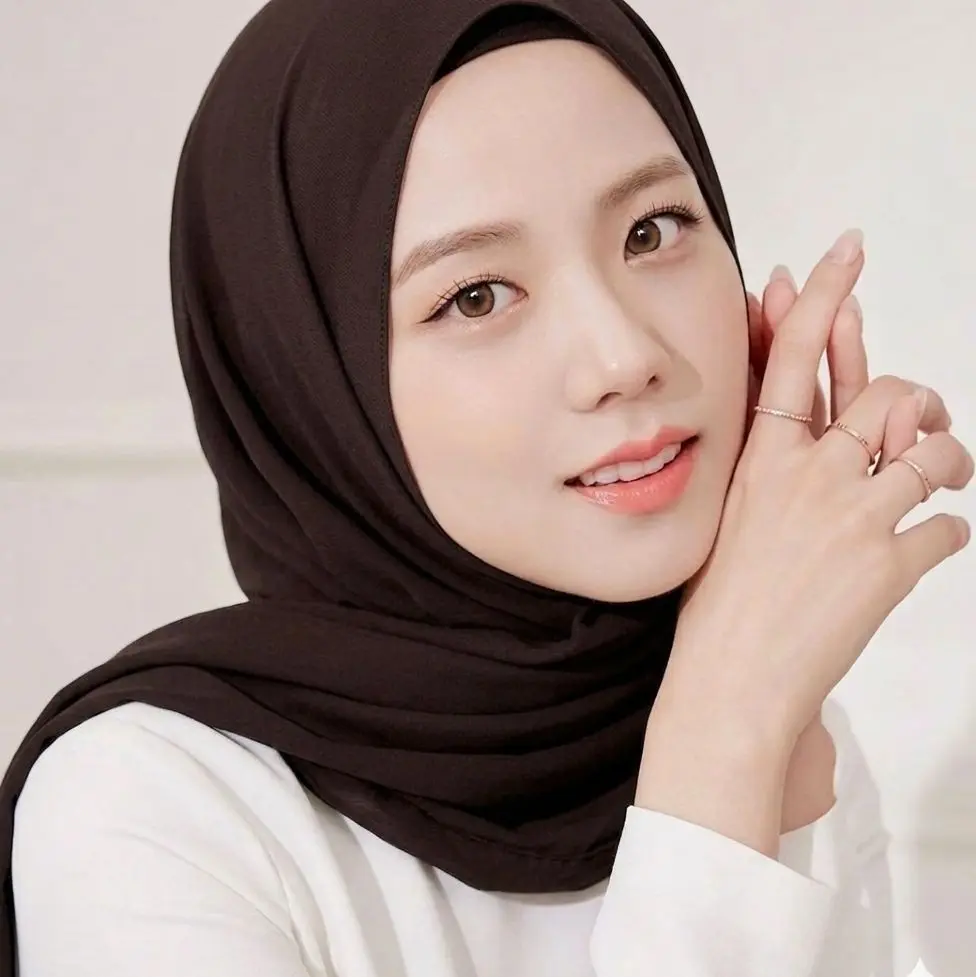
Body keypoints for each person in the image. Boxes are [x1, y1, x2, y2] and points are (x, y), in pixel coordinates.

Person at [1, 0, 972, 974]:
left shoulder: (778, 705)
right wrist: (726, 740)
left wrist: (764, 724)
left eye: (651, 231)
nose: (623, 355)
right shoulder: (152, 808)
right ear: (307, 382)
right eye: (476, 296)